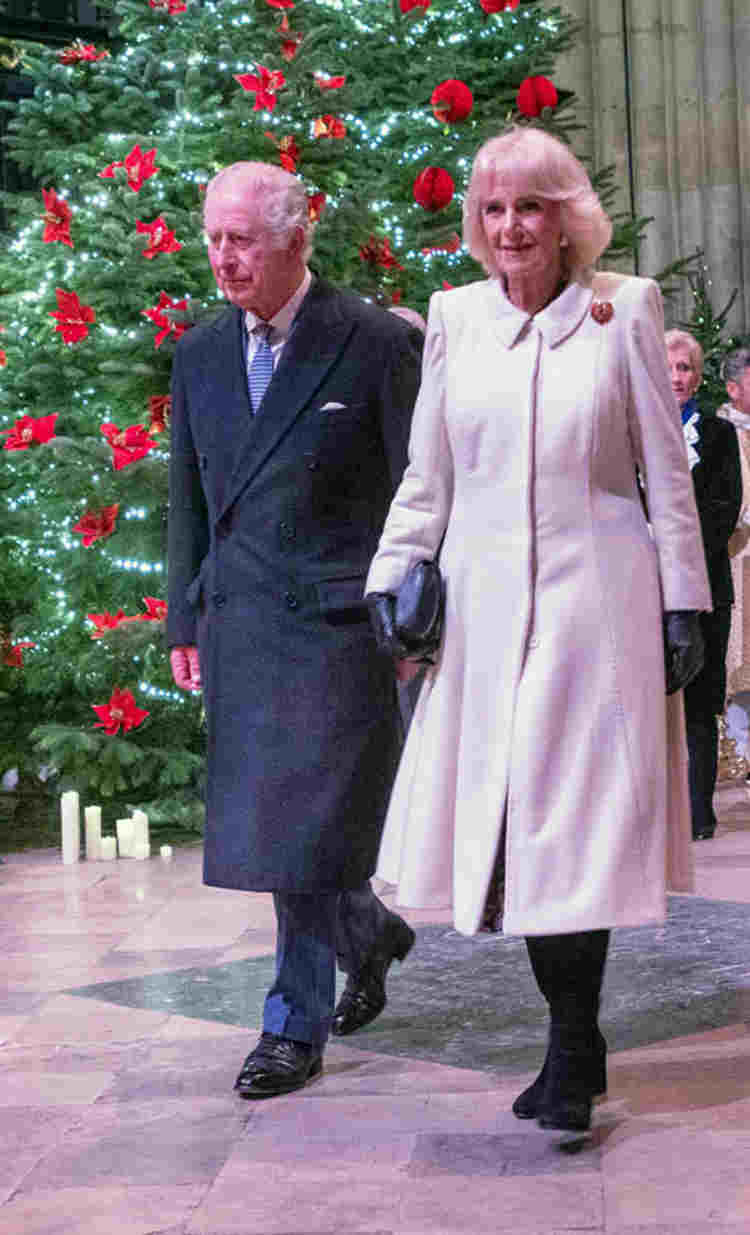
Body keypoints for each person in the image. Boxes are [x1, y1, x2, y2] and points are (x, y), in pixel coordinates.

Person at [365, 126, 710, 1137]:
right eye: (494, 208)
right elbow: (428, 474)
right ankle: (576, 1033)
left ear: (566, 219)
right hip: (482, 614)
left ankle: (568, 1040)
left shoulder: (623, 309)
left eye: (531, 207)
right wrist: (392, 573)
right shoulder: (454, 316)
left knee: (573, 826)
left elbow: (665, 470)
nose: (511, 225)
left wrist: (684, 600)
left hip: (596, 606)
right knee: (515, 826)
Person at [166, 162, 423, 1099]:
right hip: (241, 618)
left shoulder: (372, 340)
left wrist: (416, 618)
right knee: (289, 831)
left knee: (302, 827)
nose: (222, 258)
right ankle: (371, 932)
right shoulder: (200, 353)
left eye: (241, 239)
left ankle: (290, 1024)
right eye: (213, 239)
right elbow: (189, 500)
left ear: (295, 238)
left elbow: (418, 491)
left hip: (337, 623)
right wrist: (183, 615)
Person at [665, 330, 742, 839]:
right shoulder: (631, 426)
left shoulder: (717, 434)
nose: (677, 377)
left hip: (704, 583)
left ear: (697, 377)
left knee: (700, 701)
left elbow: (724, 507)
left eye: (686, 368)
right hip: (641, 584)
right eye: (669, 367)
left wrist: (681, 557)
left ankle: (698, 812)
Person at [717, 348, 750, 763]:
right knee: (740, 658)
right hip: (736, 555)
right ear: (732, 388)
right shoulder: (719, 433)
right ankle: (740, 749)